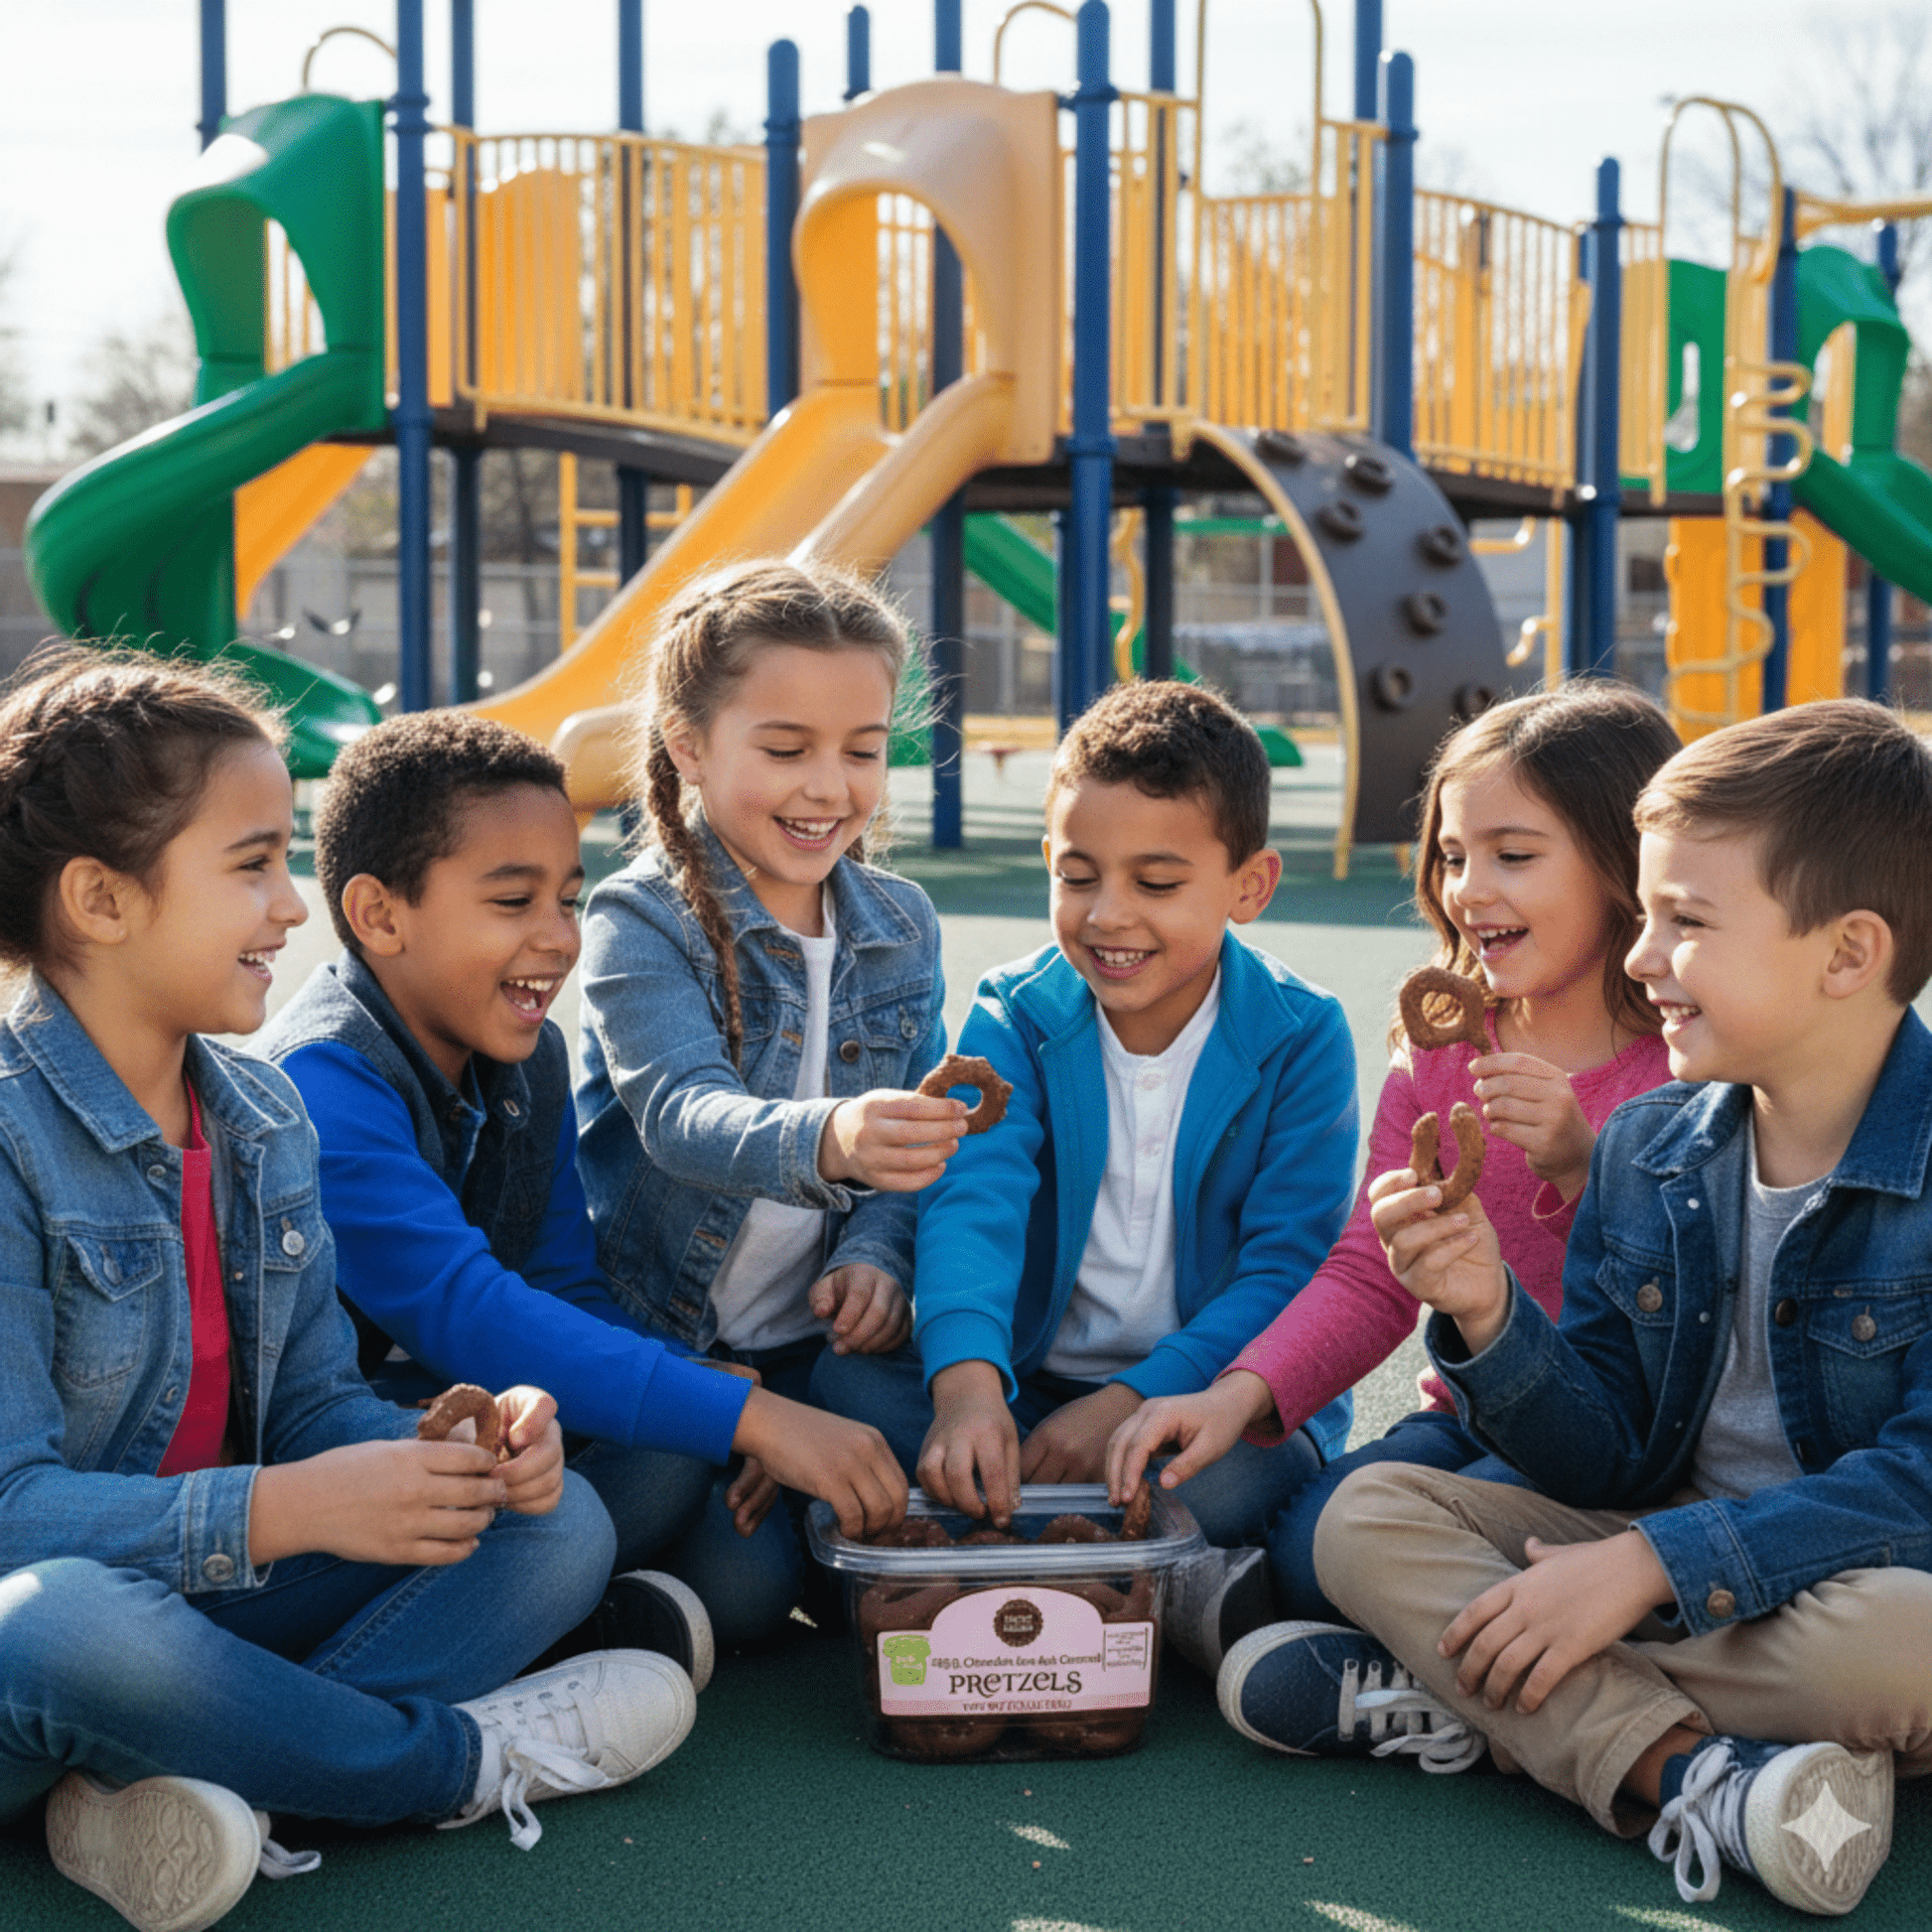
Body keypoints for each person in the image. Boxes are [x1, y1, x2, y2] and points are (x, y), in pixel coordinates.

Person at [0, 655, 691, 1932]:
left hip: (206, 1605)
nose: (288, 907)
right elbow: (12, 1517)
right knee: (58, 1625)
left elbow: (318, 1398)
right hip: (58, 1628)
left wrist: (457, 1451)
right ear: (99, 896)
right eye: (252, 865)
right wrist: (281, 1508)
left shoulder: (258, 1115)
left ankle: (190, 1778)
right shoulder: (7, 1133)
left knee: (561, 1524)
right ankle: (448, 1767)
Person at [1229, 700, 1932, 1918]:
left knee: (1900, 1639)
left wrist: (1642, 1564)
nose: (1643, 955)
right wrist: (1490, 1312)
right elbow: (1602, 1438)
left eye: (1685, 922)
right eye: (1646, 916)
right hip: (1646, 1528)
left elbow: (1917, 1483)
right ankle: (1691, 1771)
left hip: (1847, 1572)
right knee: (1363, 1513)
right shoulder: (1653, 1143)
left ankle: (1461, 1684)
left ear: (1846, 951)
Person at [259, 712, 907, 1672]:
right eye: (512, 902)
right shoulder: (320, 1084)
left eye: (568, 901)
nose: (557, 940)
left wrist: (714, 1396)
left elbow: (565, 1286)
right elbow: (469, 1314)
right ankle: (433, 1674)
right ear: (379, 916)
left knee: (676, 1471)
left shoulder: (528, 1060)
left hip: (480, 1432)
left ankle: (547, 1621)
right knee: (580, 1520)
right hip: (328, 1468)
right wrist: (756, 1419)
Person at [1107, 684, 1681, 1661]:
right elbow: (1370, 1271)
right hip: (1466, 1422)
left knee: (1435, 1550)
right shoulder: (1441, 1052)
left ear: (1623, 864)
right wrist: (1233, 1396)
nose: (1467, 888)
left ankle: (1489, 1653)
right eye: (1453, 856)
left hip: (1634, 1447)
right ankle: (1443, 1658)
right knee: (1305, 1541)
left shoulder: (1683, 1056)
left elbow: (1706, 1290)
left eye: (1512, 854)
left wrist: (1583, 1169)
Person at [815, 679, 1359, 1663]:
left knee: (1232, 1474)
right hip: (1027, 1377)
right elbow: (973, 1201)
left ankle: (991, 1562)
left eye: (1155, 883)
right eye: (1076, 875)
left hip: (1203, 1391)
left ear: (1249, 884)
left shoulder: (1300, 1033)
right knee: (848, 1390)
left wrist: (1128, 1400)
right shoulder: (1013, 1011)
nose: (1108, 915)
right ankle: (1129, 1583)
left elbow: (1283, 1271)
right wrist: (970, 1387)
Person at [574, 561, 947, 1628]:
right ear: (689, 745)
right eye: (784, 749)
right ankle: (699, 1527)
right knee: (741, 1596)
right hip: (667, 1336)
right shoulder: (640, 918)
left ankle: (789, 1483)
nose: (828, 786)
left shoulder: (902, 922)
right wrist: (834, 1135)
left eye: (862, 750)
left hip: (811, 1346)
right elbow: (683, 1115)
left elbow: (915, 1133)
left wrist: (876, 1247)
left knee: (950, 1435)